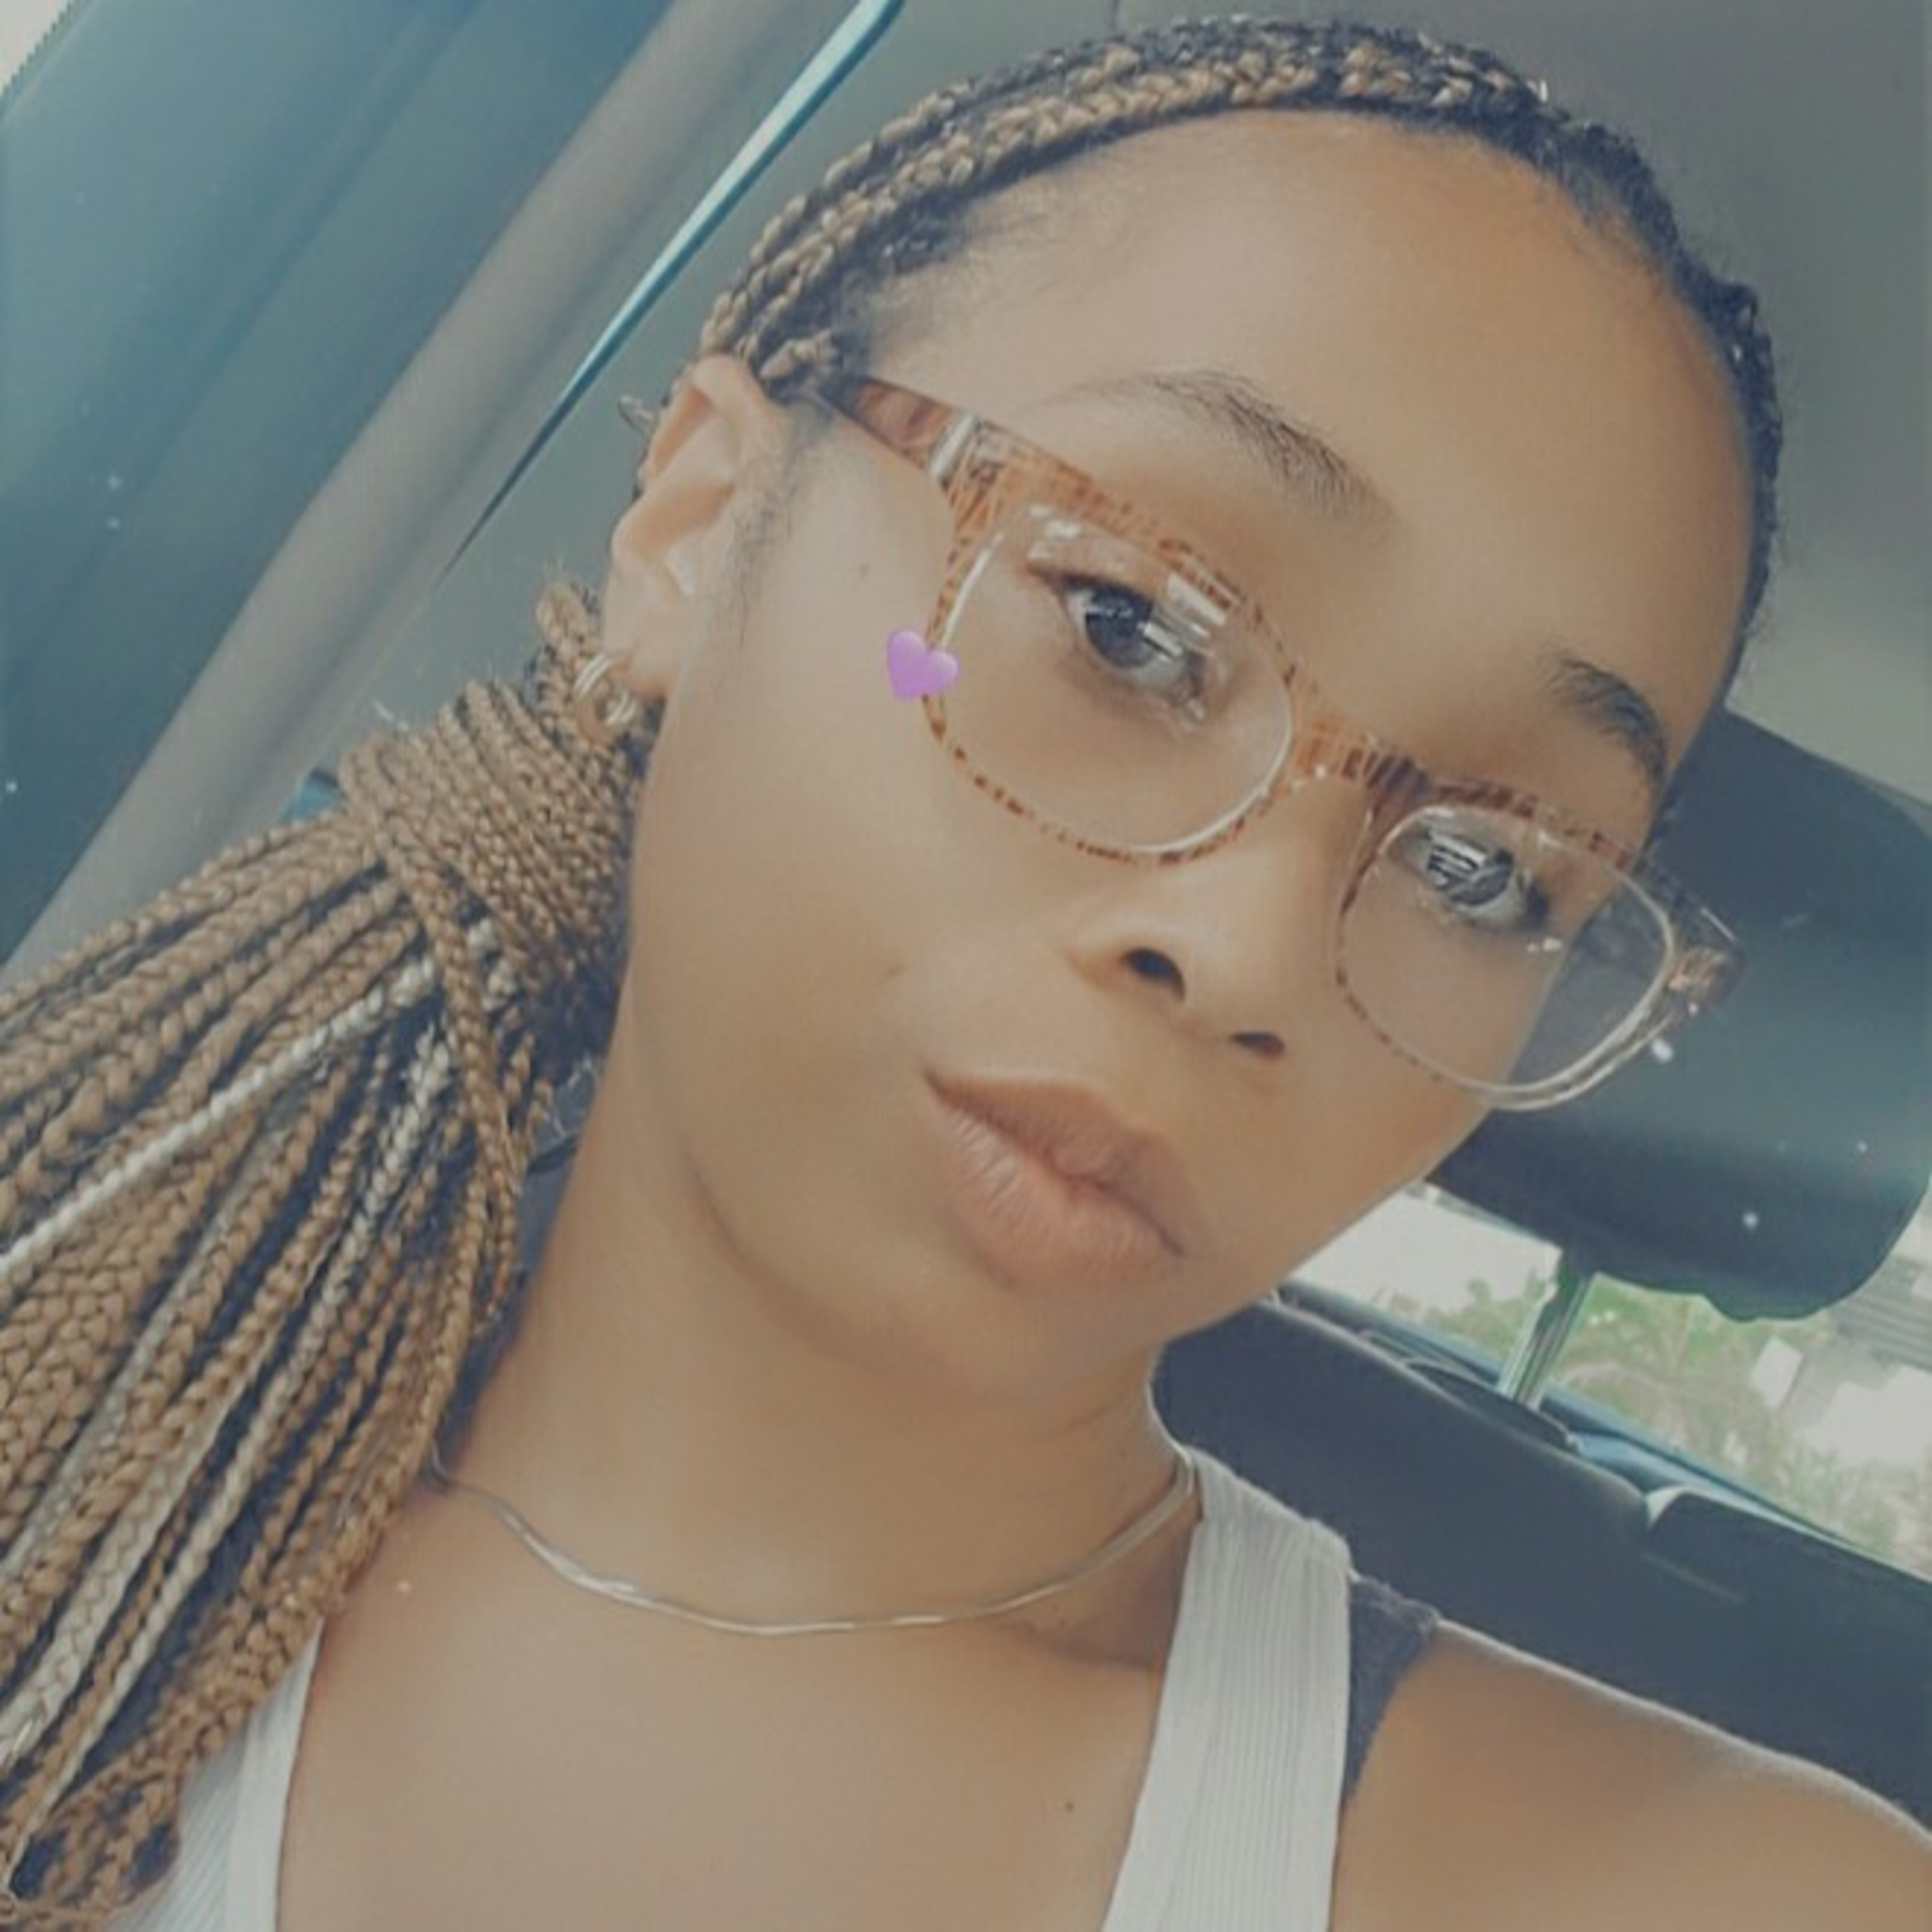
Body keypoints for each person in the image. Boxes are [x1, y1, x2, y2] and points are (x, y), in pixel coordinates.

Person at [1, 13, 1926, 1927]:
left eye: (1483, 872)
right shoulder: (80, 1461)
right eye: (1128, 624)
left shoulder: (1718, 1897)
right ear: (697, 524)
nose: (1245, 951)